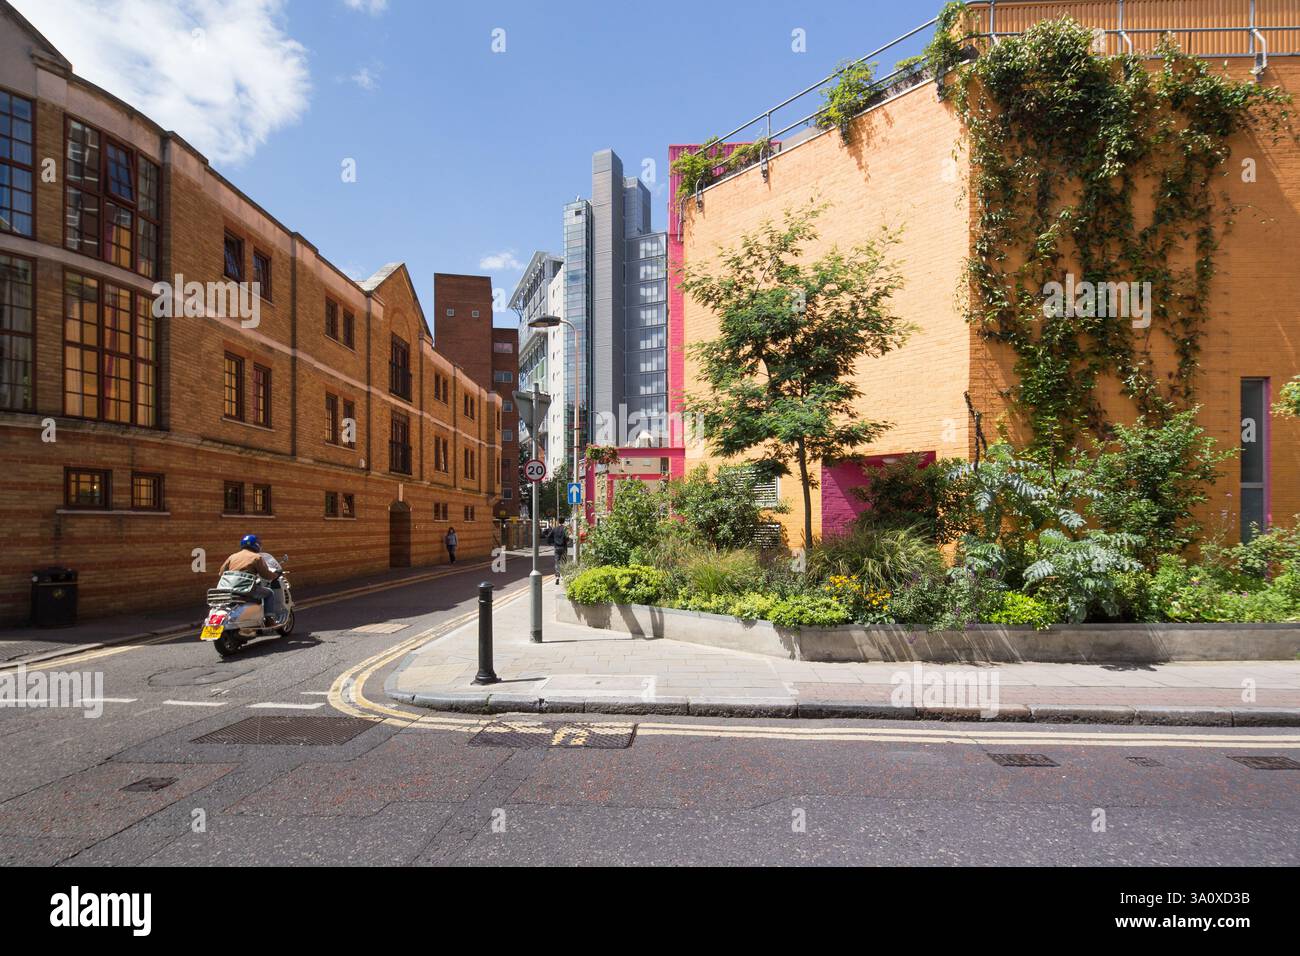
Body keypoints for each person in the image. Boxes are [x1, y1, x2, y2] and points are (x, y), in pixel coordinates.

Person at [219, 534, 281, 623]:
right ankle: (269, 619)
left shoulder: (232, 556)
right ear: (257, 545)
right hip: (245, 589)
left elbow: (221, 573)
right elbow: (265, 575)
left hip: (227, 589)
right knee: (269, 593)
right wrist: (275, 575)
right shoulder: (256, 557)